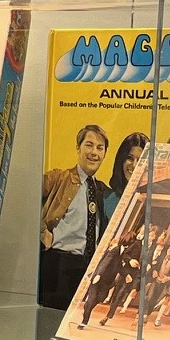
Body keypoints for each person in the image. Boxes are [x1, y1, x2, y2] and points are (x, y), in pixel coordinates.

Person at [39, 124, 112, 310]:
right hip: (58, 265)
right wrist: (41, 231)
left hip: (86, 268)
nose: (94, 152)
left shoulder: (101, 190)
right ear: (78, 148)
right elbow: (26, 194)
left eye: (99, 148)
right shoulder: (59, 178)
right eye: (89, 145)